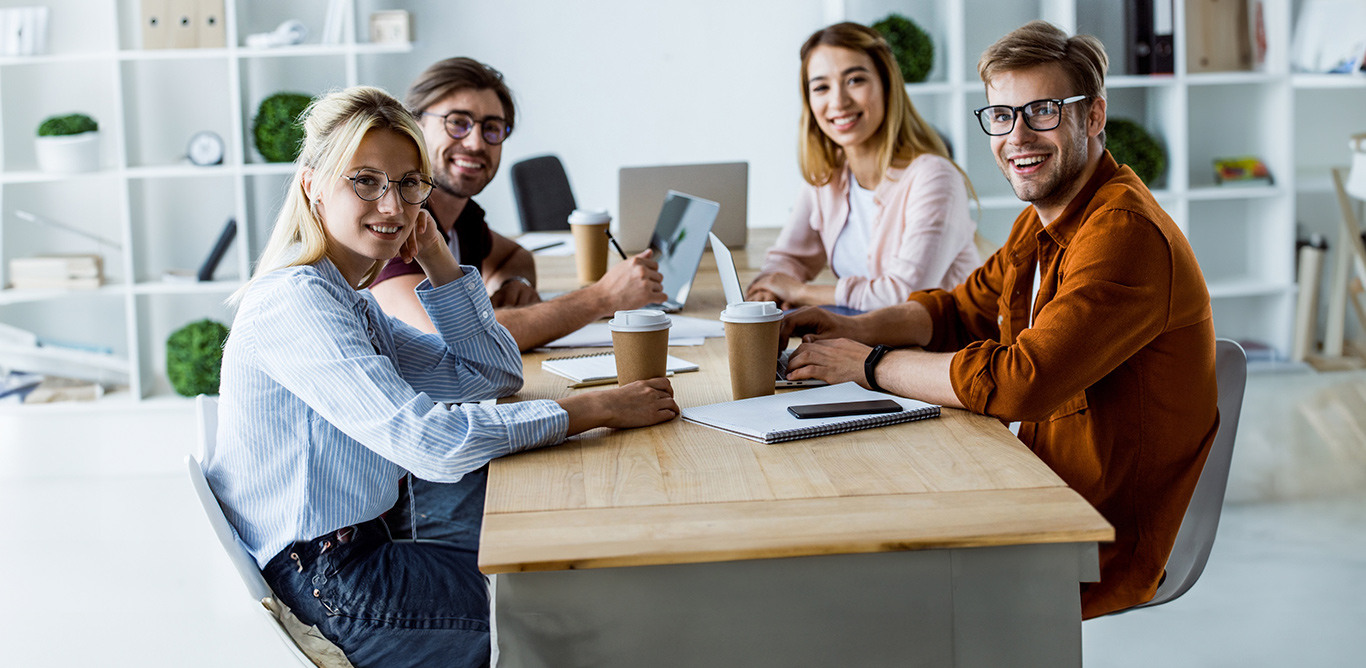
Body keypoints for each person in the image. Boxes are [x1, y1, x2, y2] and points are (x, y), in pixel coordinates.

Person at [205, 86, 679, 666]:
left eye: (408, 185)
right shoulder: (297, 302)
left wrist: (437, 257)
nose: (392, 205)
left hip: (361, 557)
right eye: (366, 180)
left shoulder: (348, 299)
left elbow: (491, 373)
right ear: (312, 185)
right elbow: (431, 446)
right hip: (329, 584)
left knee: (558, 585)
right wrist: (590, 410)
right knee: (559, 614)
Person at [780, 21, 1219, 619]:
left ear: (1093, 116)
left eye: (1041, 111)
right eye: (1002, 116)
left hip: (1089, 534)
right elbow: (961, 310)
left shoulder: (1123, 234)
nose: (1017, 136)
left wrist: (868, 364)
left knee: (852, 584)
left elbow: (1021, 381)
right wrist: (851, 328)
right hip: (1028, 481)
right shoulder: (1041, 218)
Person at [369, 57, 666, 352]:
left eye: (492, 128)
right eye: (457, 123)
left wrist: (513, 284)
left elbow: (516, 255)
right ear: (414, 124)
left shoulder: (462, 216)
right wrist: (602, 297)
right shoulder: (395, 218)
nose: (476, 143)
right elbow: (443, 340)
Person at [746, 22, 980, 312]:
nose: (839, 101)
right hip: (868, 341)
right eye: (821, 87)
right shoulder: (828, 176)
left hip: (945, 351)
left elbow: (905, 295)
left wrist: (800, 291)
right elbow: (788, 259)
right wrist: (767, 292)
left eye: (855, 80)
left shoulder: (935, 177)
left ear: (886, 85)